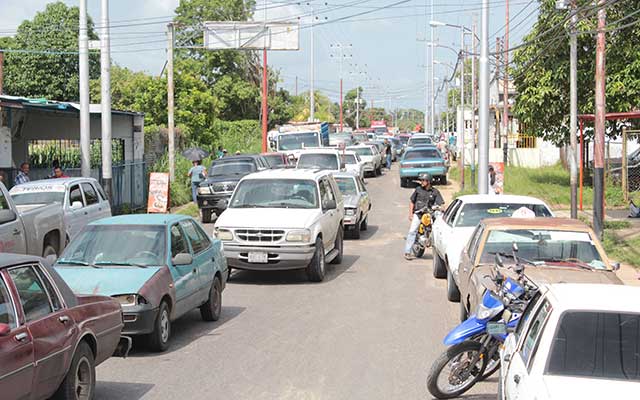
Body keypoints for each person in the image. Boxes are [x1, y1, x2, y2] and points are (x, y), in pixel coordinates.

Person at [404, 173, 444, 260]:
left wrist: (441, 208)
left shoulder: (435, 192)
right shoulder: (418, 190)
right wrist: (411, 214)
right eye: (421, 180)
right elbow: (412, 202)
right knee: (412, 231)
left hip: (429, 214)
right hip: (418, 214)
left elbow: (441, 204)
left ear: (428, 181)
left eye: (423, 180)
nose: (421, 182)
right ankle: (407, 252)